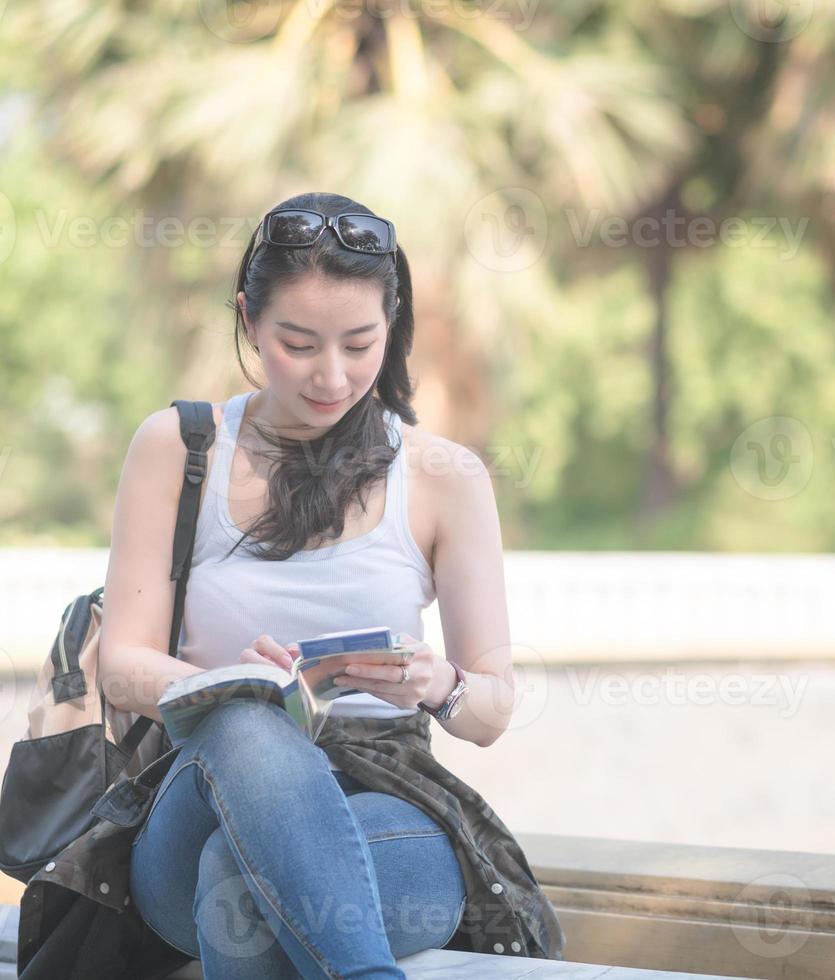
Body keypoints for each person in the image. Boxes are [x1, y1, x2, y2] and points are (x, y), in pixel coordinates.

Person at [96, 192, 558, 979]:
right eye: (298, 343)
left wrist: (434, 680)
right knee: (246, 722)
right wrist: (234, 684)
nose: (331, 376)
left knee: (238, 891)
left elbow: (490, 711)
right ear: (248, 319)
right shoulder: (178, 447)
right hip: (200, 796)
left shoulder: (445, 477)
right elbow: (122, 664)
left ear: (393, 322)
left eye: (360, 342)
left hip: (387, 796)